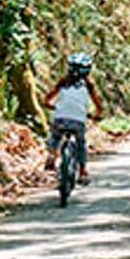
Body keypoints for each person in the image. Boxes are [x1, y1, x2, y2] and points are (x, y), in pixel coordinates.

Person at [43, 52, 105, 183]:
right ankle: (83, 172)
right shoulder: (89, 86)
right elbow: (99, 105)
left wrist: (51, 106)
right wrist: (97, 115)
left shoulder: (63, 82)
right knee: (81, 144)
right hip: (78, 121)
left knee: (55, 136)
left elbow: (48, 99)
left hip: (60, 118)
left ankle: (51, 156)